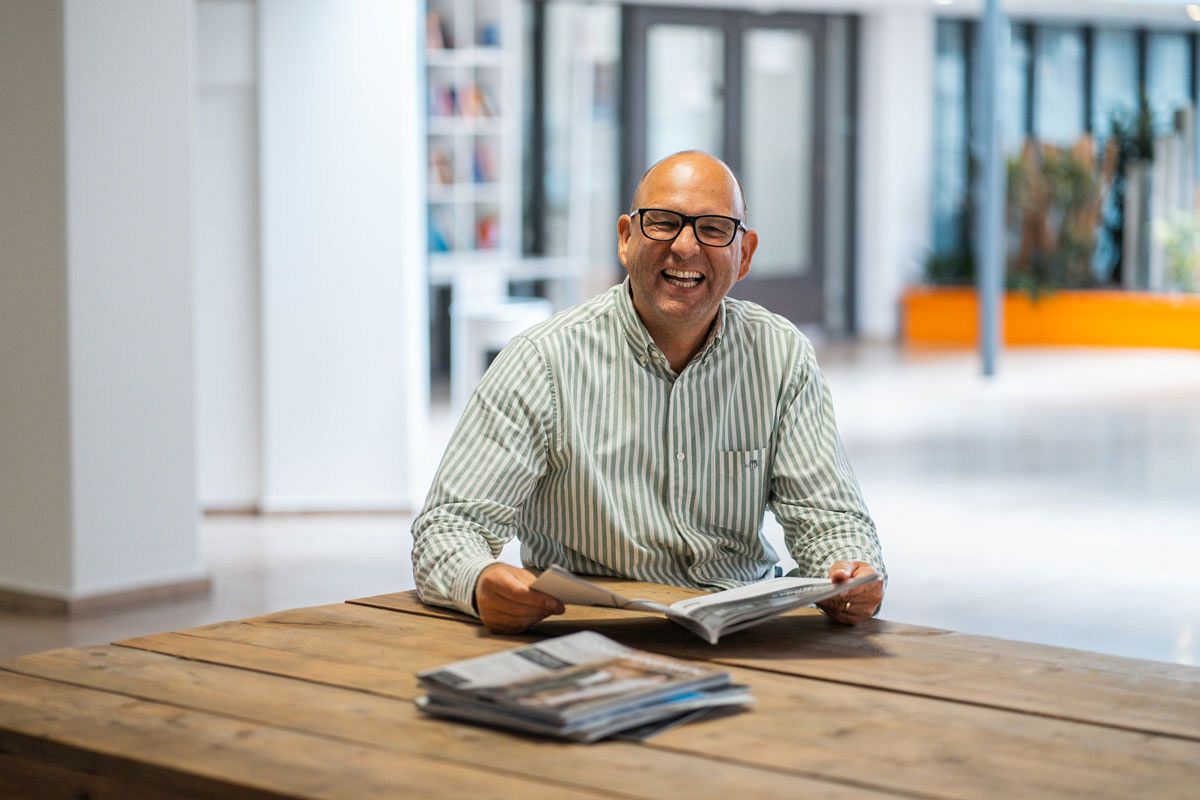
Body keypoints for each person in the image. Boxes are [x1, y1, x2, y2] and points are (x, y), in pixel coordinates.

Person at [412, 150, 885, 634]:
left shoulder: (780, 356)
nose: (685, 247)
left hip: (743, 635)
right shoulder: (542, 361)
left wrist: (850, 572)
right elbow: (451, 525)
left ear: (744, 254)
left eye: (714, 228)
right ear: (625, 238)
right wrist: (480, 581)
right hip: (593, 630)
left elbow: (831, 519)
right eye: (663, 222)